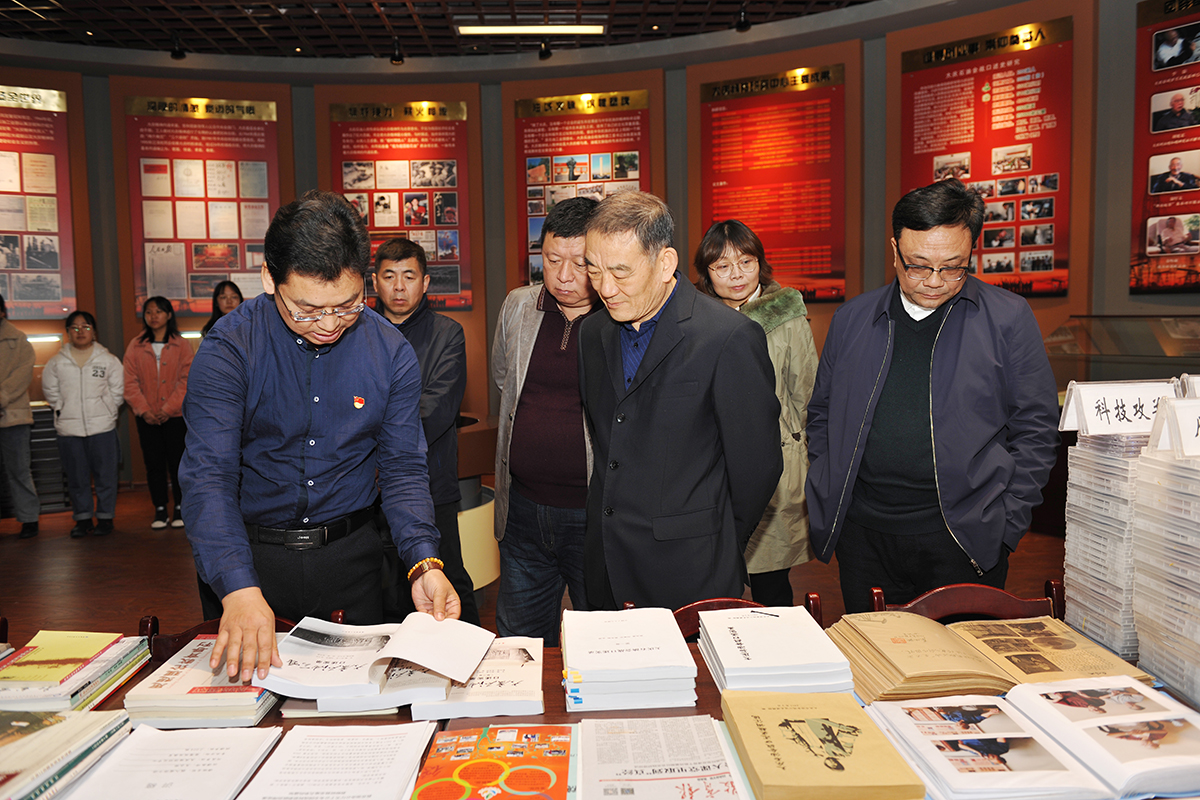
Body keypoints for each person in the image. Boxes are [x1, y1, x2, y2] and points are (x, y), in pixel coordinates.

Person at [179, 190, 458, 682]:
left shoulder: (389, 350)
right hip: (250, 561)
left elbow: (402, 468)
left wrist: (423, 561)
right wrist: (237, 588)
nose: (329, 325)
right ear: (270, 278)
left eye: (348, 305)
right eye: (307, 310)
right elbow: (209, 477)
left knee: (356, 708)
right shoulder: (229, 348)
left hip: (350, 560)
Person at [806, 178, 1059, 614]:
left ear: (972, 252)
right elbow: (822, 414)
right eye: (918, 266)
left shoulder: (1007, 318)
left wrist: (1006, 525)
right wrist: (829, 489)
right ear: (894, 250)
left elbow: (1036, 428)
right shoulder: (853, 319)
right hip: (863, 536)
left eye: (953, 267)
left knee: (962, 654)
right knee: (874, 652)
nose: (934, 282)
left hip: (965, 537)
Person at [578, 191, 782, 610]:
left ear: (665, 263)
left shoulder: (727, 337)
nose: (605, 288)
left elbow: (757, 469)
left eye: (620, 272)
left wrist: (718, 541)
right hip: (606, 566)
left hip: (691, 571)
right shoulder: (592, 333)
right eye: (594, 270)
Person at [492, 197, 600, 645]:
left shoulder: (619, 315)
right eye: (552, 260)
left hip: (594, 514)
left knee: (599, 640)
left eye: (580, 263)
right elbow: (505, 379)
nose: (563, 276)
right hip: (523, 511)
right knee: (520, 643)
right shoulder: (519, 306)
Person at [694, 220, 818, 607]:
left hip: (774, 463)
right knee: (712, 581)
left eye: (745, 263)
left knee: (771, 582)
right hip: (711, 465)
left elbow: (807, 392)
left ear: (760, 264)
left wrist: (808, 460)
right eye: (722, 266)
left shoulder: (786, 313)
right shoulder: (696, 319)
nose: (736, 275)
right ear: (707, 273)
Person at [372, 236, 479, 626]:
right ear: (375, 281)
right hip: (366, 491)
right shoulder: (357, 333)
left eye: (409, 276)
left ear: (426, 282)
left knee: (447, 584)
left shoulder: (447, 333)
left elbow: (437, 408)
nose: (399, 287)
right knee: (382, 592)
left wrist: (368, 431)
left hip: (431, 484)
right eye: (389, 276)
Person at [41, 311, 124, 538]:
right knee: (77, 478)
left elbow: (118, 391)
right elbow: (50, 391)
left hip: (102, 428)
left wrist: (108, 410)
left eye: (85, 326)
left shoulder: (108, 360)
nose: (80, 331)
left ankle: (105, 518)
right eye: (74, 327)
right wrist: (62, 408)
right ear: (68, 332)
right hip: (69, 430)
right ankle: (83, 518)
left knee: (106, 476)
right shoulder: (56, 362)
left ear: (94, 331)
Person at [124, 296, 192, 529]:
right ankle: (160, 508)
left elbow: (187, 380)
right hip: (147, 418)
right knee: (153, 464)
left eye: (159, 311)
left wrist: (167, 408)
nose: (154, 316)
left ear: (169, 315)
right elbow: (129, 382)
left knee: (178, 463)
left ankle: (180, 506)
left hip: (175, 417)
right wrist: (144, 410)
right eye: (149, 312)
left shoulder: (182, 344)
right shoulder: (136, 345)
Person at [0, 295, 40, 539]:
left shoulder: (19, 339)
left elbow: (22, 375)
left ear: (2, 311)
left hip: (13, 416)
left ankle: (29, 518)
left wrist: (1, 397)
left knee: (19, 471)